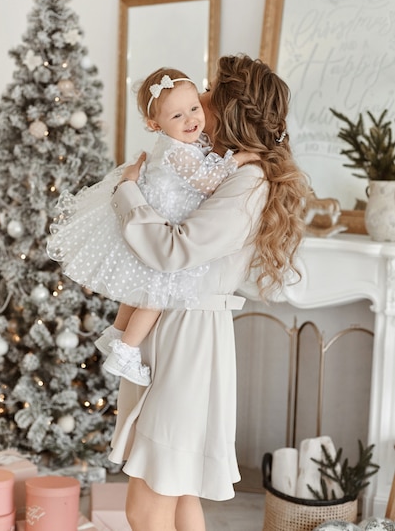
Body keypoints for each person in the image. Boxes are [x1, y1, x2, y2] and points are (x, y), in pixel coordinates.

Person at [107, 54, 310, 531]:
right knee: (177, 494)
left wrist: (128, 193)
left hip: (190, 337)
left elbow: (174, 251)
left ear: (232, 110)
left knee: (148, 500)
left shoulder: (248, 180)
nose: (199, 97)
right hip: (177, 326)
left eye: (212, 91)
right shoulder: (220, 168)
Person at [47, 67, 258, 387]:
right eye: (178, 116)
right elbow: (207, 182)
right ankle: (126, 351)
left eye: (194, 108)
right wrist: (238, 160)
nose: (190, 119)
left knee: (139, 291)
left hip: (154, 221)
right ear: (154, 125)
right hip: (159, 224)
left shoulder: (183, 142)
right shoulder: (177, 152)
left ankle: (117, 333)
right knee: (155, 296)